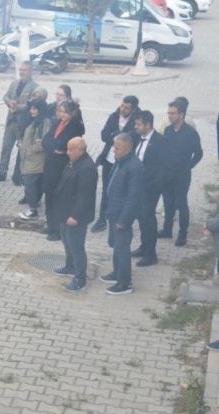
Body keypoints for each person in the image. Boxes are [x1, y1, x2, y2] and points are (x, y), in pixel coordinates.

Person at [100, 133, 144, 296]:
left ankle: (124, 283)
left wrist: (124, 220)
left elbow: (134, 197)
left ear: (127, 148)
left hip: (121, 216)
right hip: (114, 213)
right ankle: (116, 273)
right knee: (115, 246)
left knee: (122, 248)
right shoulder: (120, 162)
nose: (114, 150)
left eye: (117, 147)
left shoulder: (134, 167)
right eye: (113, 146)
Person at [52, 137, 98, 292]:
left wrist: (75, 216)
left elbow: (85, 196)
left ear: (80, 150)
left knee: (76, 246)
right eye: (67, 148)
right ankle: (69, 266)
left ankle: (80, 278)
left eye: (71, 149)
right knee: (66, 241)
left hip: (75, 216)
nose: (67, 152)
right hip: (64, 212)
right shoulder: (74, 161)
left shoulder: (87, 168)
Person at [91, 96, 140, 233]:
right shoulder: (114, 116)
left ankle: (117, 217)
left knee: (119, 190)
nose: (123, 109)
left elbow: (132, 138)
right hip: (109, 159)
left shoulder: (136, 120)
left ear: (133, 109)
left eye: (127, 107)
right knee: (106, 188)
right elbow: (103, 135)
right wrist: (117, 136)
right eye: (122, 106)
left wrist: (114, 135)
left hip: (123, 161)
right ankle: (102, 219)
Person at [158, 98, 203, 246]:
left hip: (182, 175)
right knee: (168, 202)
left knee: (181, 203)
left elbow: (199, 153)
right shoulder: (168, 130)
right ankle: (167, 229)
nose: (169, 116)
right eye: (168, 112)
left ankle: (182, 234)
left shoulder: (190, 133)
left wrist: (188, 166)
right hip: (167, 173)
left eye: (173, 113)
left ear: (182, 115)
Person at [131, 111, 171, 267]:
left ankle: (150, 254)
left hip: (150, 188)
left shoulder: (161, 142)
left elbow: (162, 168)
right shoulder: (135, 137)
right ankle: (144, 246)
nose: (136, 127)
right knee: (141, 219)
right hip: (136, 186)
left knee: (148, 219)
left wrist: (151, 185)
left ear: (148, 124)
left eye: (139, 124)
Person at [41, 100, 85, 241]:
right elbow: (45, 140)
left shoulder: (74, 126)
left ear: (71, 113)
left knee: (58, 199)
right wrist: (54, 148)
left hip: (62, 167)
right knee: (49, 196)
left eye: (64, 112)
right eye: (60, 111)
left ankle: (58, 230)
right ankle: (50, 224)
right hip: (50, 164)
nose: (61, 114)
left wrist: (57, 148)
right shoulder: (56, 123)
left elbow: (63, 144)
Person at [0, 61, 38, 182]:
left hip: (23, 124)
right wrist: (9, 102)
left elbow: (30, 105)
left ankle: (19, 174)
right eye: (21, 69)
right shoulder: (14, 83)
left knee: (22, 149)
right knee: (6, 147)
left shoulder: (35, 87)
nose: (22, 72)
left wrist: (16, 107)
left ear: (31, 71)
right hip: (10, 121)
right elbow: (5, 96)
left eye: (25, 70)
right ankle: (2, 172)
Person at [18, 98, 52, 220]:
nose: (31, 111)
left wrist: (29, 149)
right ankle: (34, 206)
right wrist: (20, 144)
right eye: (31, 108)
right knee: (30, 185)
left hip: (36, 161)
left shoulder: (45, 123)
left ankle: (33, 210)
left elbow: (43, 142)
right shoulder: (33, 121)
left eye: (34, 108)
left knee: (30, 185)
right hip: (28, 159)